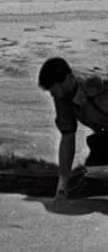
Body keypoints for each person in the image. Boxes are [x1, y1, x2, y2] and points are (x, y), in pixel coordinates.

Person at [38, 57, 108, 205]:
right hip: (103, 138)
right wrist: (62, 188)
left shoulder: (95, 85)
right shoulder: (62, 98)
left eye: (54, 89)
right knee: (93, 179)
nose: (52, 95)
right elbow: (67, 139)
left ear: (69, 79)